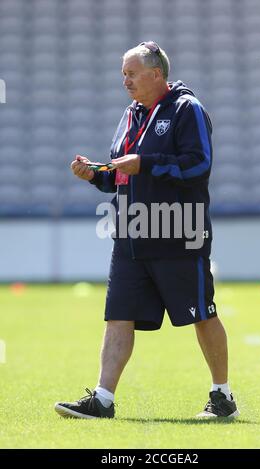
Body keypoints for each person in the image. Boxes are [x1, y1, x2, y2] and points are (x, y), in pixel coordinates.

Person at [54, 41, 239, 419]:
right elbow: (122, 174)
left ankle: (222, 398)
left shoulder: (188, 109)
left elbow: (198, 165)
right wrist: (95, 175)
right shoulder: (131, 114)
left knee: (201, 312)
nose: (125, 80)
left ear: (157, 74)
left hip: (179, 230)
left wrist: (147, 163)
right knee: (118, 314)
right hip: (131, 233)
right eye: (123, 73)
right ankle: (102, 399)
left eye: (131, 73)